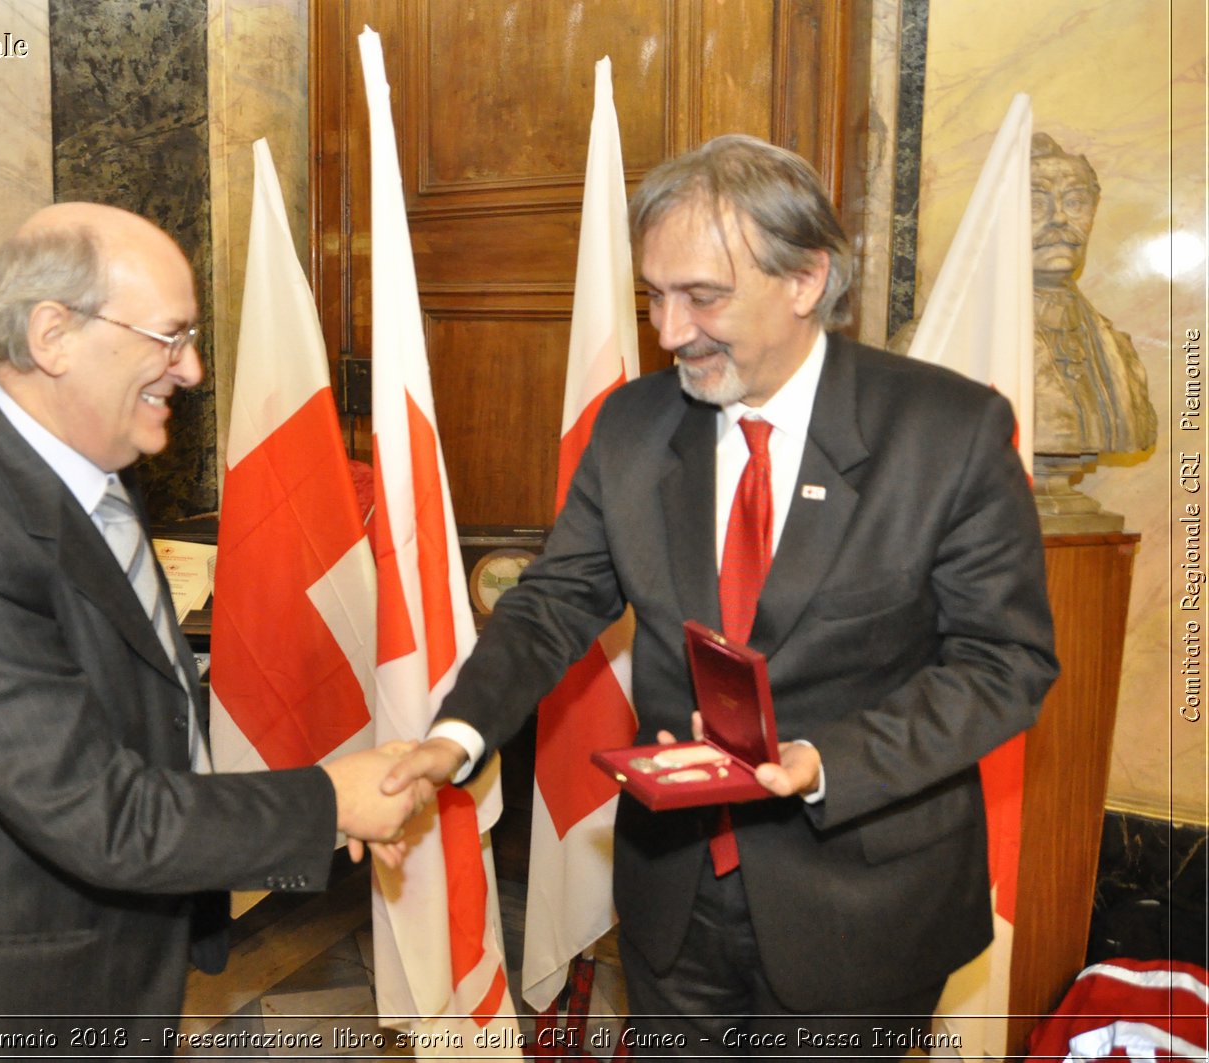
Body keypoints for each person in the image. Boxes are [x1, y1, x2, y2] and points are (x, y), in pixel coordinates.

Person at [385, 135, 1059, 1057]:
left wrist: (824, 759)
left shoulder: (946, 432)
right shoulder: (631, 425)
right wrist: (452, 737)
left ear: (806, 278)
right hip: (674, 895)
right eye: (654, 296)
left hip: (862, 902)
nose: (668, 331)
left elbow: (1005, 663)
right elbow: (554, 602)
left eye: (702, 296)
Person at [0, 202, 424, 1053]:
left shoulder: (84, 452)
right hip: (19, 990)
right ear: (53, 335)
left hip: (109, 945)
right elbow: (99, 814)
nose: (190, 368)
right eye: (169, 336)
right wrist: (329, 797)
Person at [1029, 131, 1156, 456]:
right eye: (1034, 202)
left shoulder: (1119, 352)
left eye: (1074, 202)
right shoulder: (946, 343)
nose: (1058, 218)